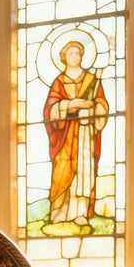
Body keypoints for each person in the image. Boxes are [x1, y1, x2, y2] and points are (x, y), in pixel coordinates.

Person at [43, 40, 109, 225]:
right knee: (63, 170)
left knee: (84, 170)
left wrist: (93, 108)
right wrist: (73, 104)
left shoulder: (92, 80)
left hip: (85, 132)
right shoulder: (59, 81)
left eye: (77, 53)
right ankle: (59, 212)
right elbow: (49, 109)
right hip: (65, 136)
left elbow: (101, 103)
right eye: (70, 53)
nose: (74, 57)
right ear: (64, 57)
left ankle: (81, 212)